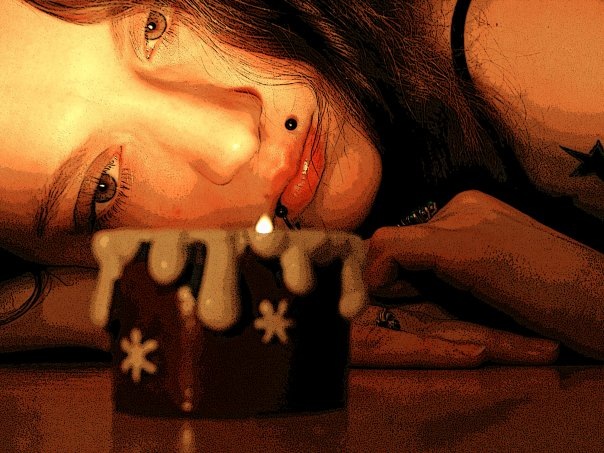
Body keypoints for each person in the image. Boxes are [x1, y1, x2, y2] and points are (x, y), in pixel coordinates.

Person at [0, 0, 601, 365]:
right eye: (104, 186)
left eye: (154, 25)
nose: (235, 138)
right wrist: (83, 308)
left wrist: (582, 290)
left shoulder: (521, 51)